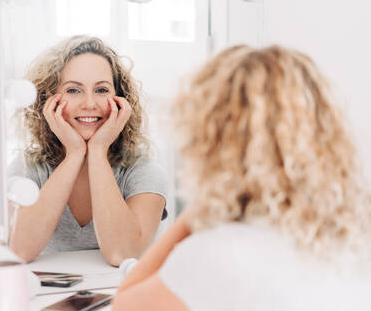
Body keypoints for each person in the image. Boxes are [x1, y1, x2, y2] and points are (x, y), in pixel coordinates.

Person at [113, 45, 371, 310]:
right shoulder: (356, 231)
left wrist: (204, 204)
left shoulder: (219, 254)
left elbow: (124, 305)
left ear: (210, 139)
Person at [9, 36, 167, 266]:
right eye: (73, 90)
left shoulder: (144, 172)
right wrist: (74, 155)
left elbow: (123, 254)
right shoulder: (28, 168)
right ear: (49, 100)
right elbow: (20, 250)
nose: (89, 103)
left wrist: (98, 151)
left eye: (102, 90)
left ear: (120, 100)